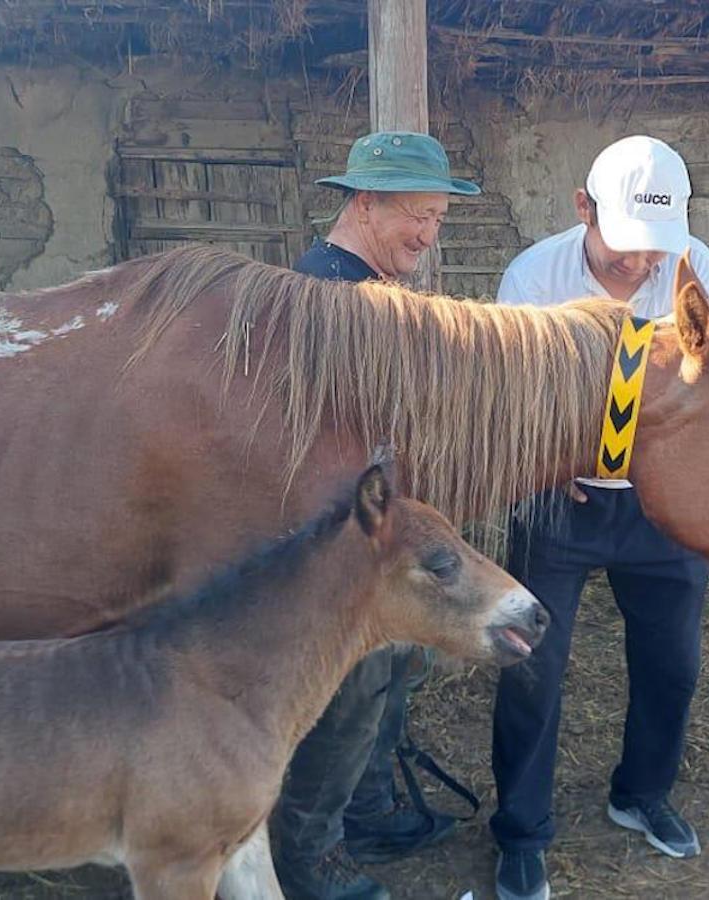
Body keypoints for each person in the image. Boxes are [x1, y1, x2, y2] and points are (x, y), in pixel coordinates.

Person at [491, 135, 709, 900]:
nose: (641, 267)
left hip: (659, 505)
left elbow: (706, 380)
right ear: (583, 209)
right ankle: (521, 833)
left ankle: (641, 792)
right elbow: (507, 397)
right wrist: (545, 461)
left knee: (673, 663)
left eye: (655, 251)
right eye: (625, 249)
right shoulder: (533, 277)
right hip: (558, 499)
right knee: (531, 669)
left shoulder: (693, 268)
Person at [272, 130, 481, 900]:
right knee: (351, 689)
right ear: (363, 203)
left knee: (392, 670)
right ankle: (310, 852)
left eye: (437, 218)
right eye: (416, 216)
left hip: (374, 526)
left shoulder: (370, 291)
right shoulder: (326, 295)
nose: (428, 234)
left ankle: (366, 805)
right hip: (331, 536)